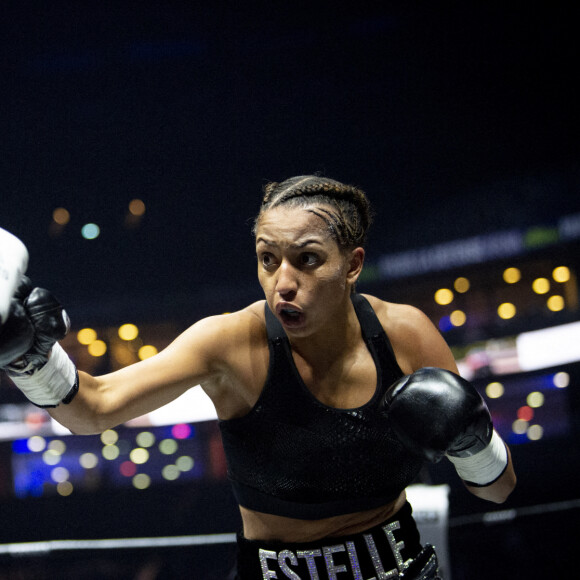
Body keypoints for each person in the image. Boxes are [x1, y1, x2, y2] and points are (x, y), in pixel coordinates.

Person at [0, 175, 516, 579]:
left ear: (352, 264)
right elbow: (94, 407)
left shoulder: (404, 335)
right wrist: (33, 360)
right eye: (268, 259)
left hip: (398, 569)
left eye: (307, 260)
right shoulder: (230, 343)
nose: (283, 283)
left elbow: (497, 490)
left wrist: (474, 445)